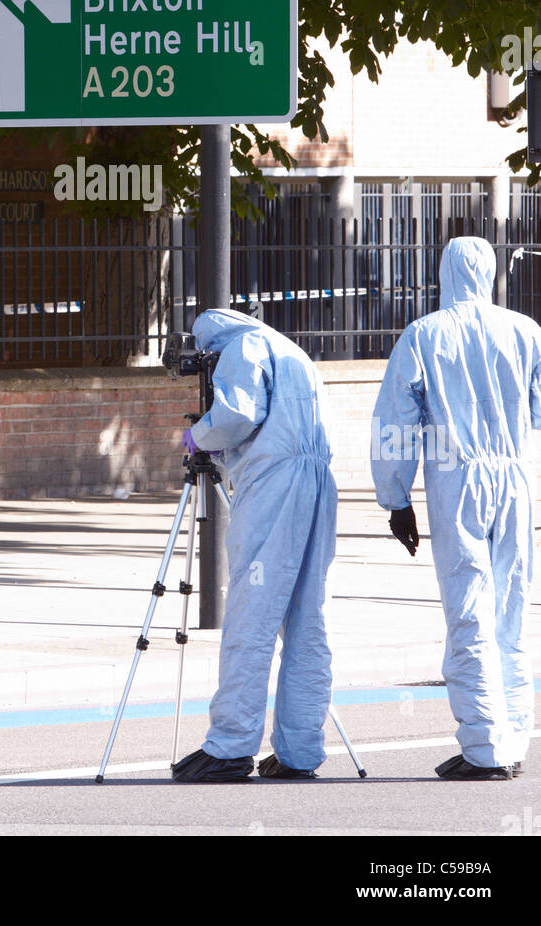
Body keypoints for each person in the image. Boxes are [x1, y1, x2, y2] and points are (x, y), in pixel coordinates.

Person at [371, 236, 541, 780]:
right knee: (511, 613)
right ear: (491, 271)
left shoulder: (424, 335)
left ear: (444, 271)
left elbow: (396, 423)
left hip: (459, 479)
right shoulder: (526, 331)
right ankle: (512, 739)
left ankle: (485, 747)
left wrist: (395, 500)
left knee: (469, 612)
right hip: (514, 478)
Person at [171, 307, 339, 783]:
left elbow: (239, 414)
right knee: (307, 617)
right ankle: (300, 749)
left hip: (274, 486)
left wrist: (198, 435)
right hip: (317, 483)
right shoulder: (293, 352)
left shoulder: (242, 347)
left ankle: (230, 746)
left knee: (252, 611)